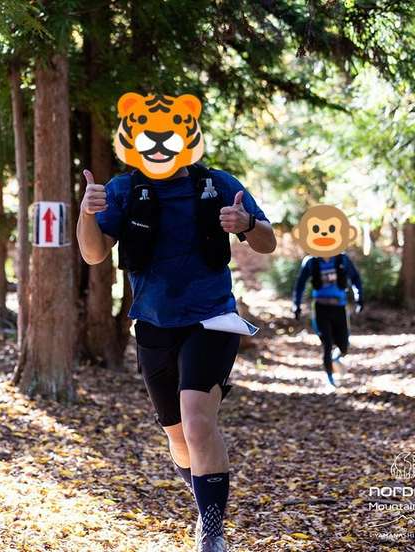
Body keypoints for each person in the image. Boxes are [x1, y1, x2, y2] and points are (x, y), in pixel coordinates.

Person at [77, 161, 276, 552]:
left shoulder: (218, 183)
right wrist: (87, 213)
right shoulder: (123, 189)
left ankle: (212, 533)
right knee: (177, 433)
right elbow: (93, 254)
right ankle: (204, 499)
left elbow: (267, 242)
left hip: (213, 320)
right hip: (154, 325)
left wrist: (248, 223)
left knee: (197, 422)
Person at [292, 253, 363, 386]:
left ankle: (336, 359)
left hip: (340, 308)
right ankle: (330, 379)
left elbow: (355, 278)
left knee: (344, 346)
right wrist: (296, 305)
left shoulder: (342, 259)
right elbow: (300, 283)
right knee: (327, 344)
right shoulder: (311, 262)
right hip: (321, 308)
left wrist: (359, 297)